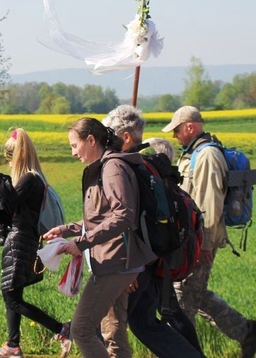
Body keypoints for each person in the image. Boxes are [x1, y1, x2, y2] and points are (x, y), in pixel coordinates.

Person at [43, 117, 157, 358]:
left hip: (115, 261)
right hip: (117, 260)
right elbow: (102, 217)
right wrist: (66, 230)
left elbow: (123, 215)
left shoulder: (112, 168)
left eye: (74, 145)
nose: (73, 153)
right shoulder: (106, 167)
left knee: (82, 329)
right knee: (114, 331)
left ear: (91, 140)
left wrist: (81, 243)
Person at [103, 105, 203, 358]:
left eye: (110, 135)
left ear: (125, 136)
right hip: (158, 255)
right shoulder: (150, 165)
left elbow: (129, 219)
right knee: (147, 320)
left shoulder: (129, 169)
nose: (107, 142)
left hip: (140, 261)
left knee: (116, 323)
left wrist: (131, 266)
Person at [162, 105, 256, 358]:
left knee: (183, 303)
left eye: (177, 130)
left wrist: (204, 246)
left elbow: (208, 203)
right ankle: (248, 332)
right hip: (192, 241)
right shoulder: (194, 153)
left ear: (190, 127)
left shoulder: (206, 156)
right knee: (195, 295)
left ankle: (184, 352)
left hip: (198, 242)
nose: (175, 136)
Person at [0, 128, 72, 358]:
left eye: (9, 157)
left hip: (19, 241)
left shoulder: (27, 180)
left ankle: (62, 329)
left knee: (12, 297)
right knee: (12, 295)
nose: (8, 162)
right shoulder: (36, 178)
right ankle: (13, 346)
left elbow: (4, 210)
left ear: (16, 156)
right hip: (27, 241)